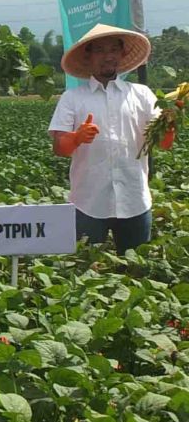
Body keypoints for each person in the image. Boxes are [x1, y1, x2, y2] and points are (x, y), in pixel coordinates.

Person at [49, 23, 173, 253]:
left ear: (122, 54)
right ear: (89, 56)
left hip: (134, 198)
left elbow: (164, 143)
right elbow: (60, 148)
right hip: (88, 201)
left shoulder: (142, 94)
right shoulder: (72, 98)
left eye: (113, 50)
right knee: (84, 270)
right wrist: (77, 137)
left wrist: (171, 122)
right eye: (100, 50)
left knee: (137, 269)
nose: (108, 56)